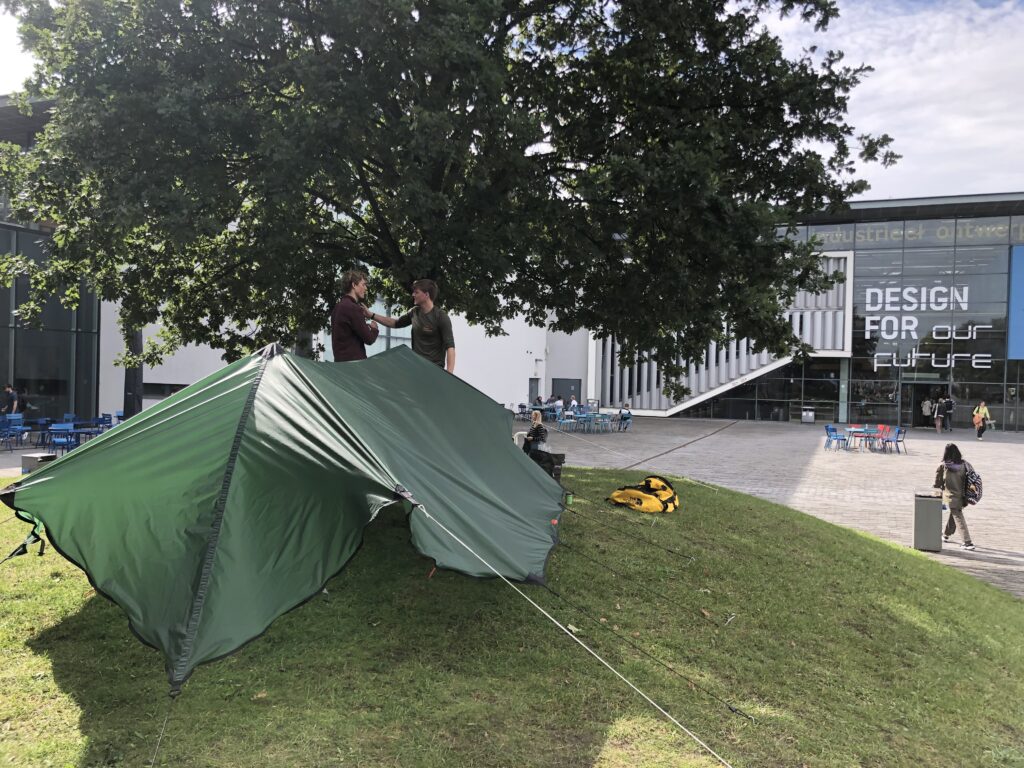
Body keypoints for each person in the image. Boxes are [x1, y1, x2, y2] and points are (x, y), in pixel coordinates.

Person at [371, 279, 455, 373]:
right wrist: (371, 315)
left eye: (416, 292)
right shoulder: (414, 312)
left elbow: (450, 347)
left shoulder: (441, 317)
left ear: (426, 295)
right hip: (416, 368)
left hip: (435, 371)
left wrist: (449, 375)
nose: (413, 295)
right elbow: (395, 323)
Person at [933, 443, 975, 551]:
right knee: (955, 514)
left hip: (951, 497)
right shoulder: (965, 465)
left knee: (958, 517)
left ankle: (967, 542)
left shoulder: (943, 466)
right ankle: (946, 534)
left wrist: (935, 495)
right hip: (963, 496)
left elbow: (937, 484)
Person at [330, 270, 379, 361]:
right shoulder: (353, 308)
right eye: (363, 284)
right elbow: (369, 339)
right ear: (354, 285)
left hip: (340, 364)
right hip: (355, 366)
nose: (365, 288)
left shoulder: (337, 307)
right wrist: (374, 329)